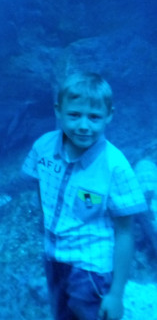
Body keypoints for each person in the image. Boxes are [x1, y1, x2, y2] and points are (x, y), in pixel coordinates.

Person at [21, 72, 147, 320]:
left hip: (92, 267)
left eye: (94, 117)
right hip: (54, 257)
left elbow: (125, 232)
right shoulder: (43, 148)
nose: (83, 125)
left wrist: (116, 294)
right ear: (58, 110)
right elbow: (39, 185)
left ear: (109, 115)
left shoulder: (115, 167)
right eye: (74, 115)